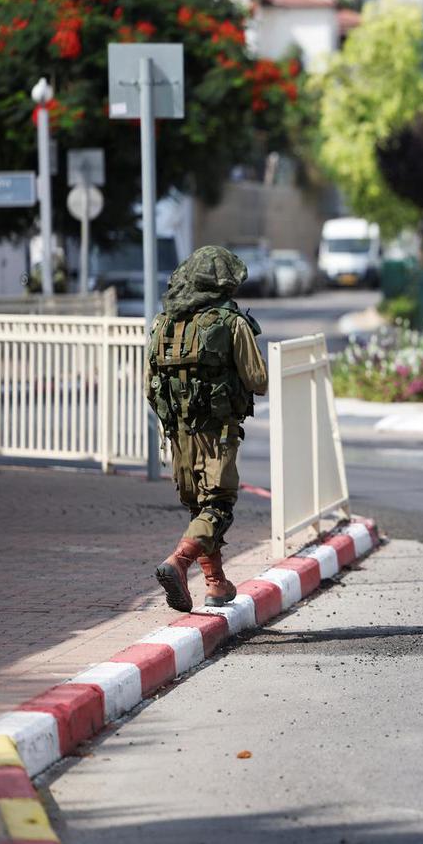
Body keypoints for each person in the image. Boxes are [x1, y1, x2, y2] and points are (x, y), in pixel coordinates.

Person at [146, 246, 267, 612]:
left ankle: (215, 584)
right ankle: (179, 563)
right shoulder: (232, 323)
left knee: (199, 506)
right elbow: (257, 379)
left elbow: (150, 384)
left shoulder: (163, 323)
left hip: (177, 432)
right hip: (218, 432)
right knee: (218, 506)